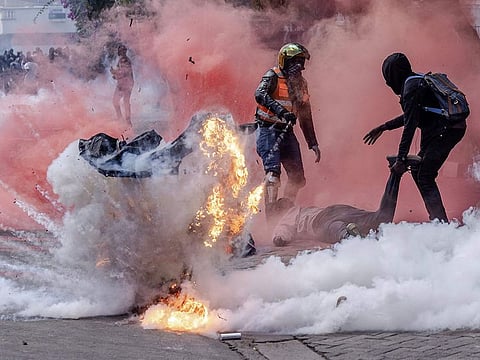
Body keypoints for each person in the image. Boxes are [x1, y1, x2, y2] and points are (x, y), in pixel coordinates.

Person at [363, 53, 467, 222]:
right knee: (419, 170)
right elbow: (412, 116)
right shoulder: (415, 80)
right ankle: (438, 220)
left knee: (425, 175)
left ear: (393, 74)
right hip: (442, 130)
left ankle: (440, 223)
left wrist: (401, 158)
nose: (388, 83)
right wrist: (384, 127)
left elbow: (410, 125)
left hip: (445, 131)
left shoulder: (411, 87)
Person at [271, 155, 421, 247]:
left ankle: (350, 236)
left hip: (323, 220)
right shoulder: (300, 210)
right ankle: (396, 172)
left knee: (338, 232)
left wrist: (279, 239)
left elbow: (283, 231)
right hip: (337, 210)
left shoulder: (288, 215)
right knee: (381, 218)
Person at [254, 42, 321, 219]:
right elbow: (260, 94)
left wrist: (312, 142)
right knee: (273, 176)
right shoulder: (272, 76)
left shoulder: (301, 84)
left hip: (287, 134)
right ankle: (271, 217)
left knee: (298, 177)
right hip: (268, 130)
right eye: (295, 62)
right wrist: (282, 112)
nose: (299, 67)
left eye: (301, 63)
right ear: (285, 61)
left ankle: (284, 209)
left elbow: (305, 114)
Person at [110, 44, 134, 127]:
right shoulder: (121, 60)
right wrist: (115, 75)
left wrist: (114, 72)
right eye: (121, 50)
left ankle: (127, 121)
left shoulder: (125, 60)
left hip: (127, 84)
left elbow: (125, 72)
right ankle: (122, 119)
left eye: (124, 50)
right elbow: (121, 73)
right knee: (116, 101)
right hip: (122, 84)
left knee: (125, 102)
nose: (123, 52)